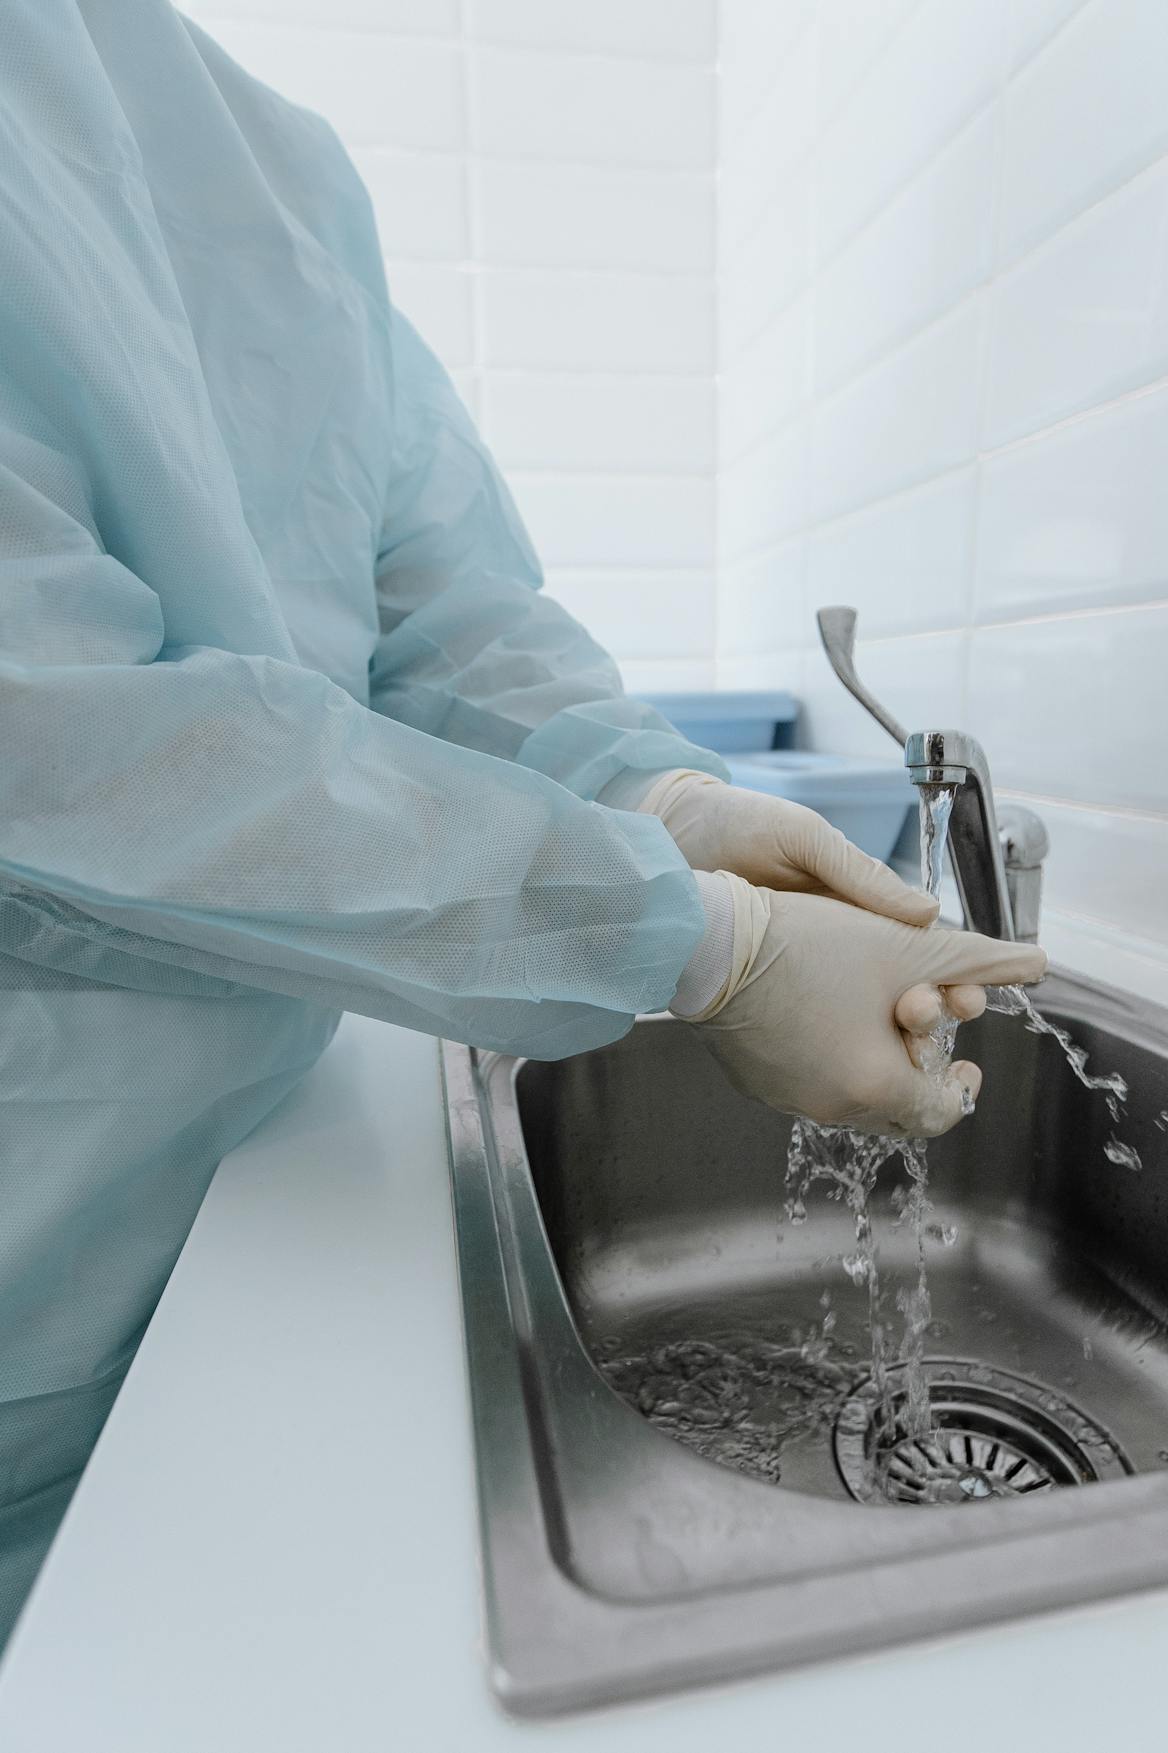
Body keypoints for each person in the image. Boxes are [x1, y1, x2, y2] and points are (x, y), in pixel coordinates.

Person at [0, 0, 1044, 1647]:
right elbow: (67, 738)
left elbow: (444, 619)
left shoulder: (271, 170)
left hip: (244, 1189)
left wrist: (658, 793)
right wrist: (705, 942)